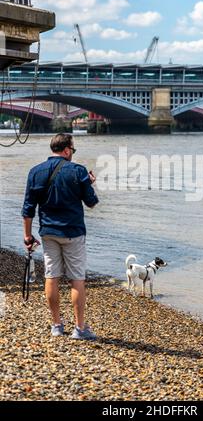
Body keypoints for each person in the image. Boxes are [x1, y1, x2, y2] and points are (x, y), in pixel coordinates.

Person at [22, 133, 99, 340]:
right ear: (66, 150)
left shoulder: (35, 172)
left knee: (51, 277)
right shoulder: (79, 171)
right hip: (73, 233)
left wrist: (27, 237)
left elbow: (28, 209)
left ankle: (56, 325)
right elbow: (91, 202)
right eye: (72, 150)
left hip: (48, 233)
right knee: (76, 280)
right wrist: (89, 183)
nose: (72, 153)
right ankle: (80, 328)